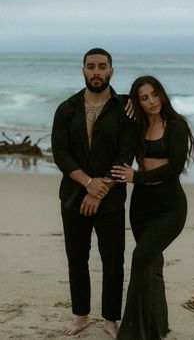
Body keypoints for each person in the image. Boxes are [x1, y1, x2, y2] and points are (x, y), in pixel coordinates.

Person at [51, 48, 137, 338]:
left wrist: (99, 190)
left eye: (102, 66)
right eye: (91, 66)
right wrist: (88, 183)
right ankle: (81, 315)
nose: (96, 71)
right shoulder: (67, 108)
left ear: (112, 70)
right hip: (73, 196)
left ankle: (111, 319)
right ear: (83, 70)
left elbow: (126, 154)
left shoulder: (126, 108)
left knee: (113, 258)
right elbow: (60, 153)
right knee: (77, 257)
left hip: (111, 199)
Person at [111, 75, 194, 340]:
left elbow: (174, 168)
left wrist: (136, 176)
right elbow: (112, 103)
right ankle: (157, 327)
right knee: (151, 264)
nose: (151, 102)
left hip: (170, 207)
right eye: (144, 98)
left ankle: (132, 332)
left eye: (154, 95)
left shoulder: (177, 126)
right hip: (141, 207)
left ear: (161, 94)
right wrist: (126, 100)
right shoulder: (136, 126)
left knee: (140, 258)